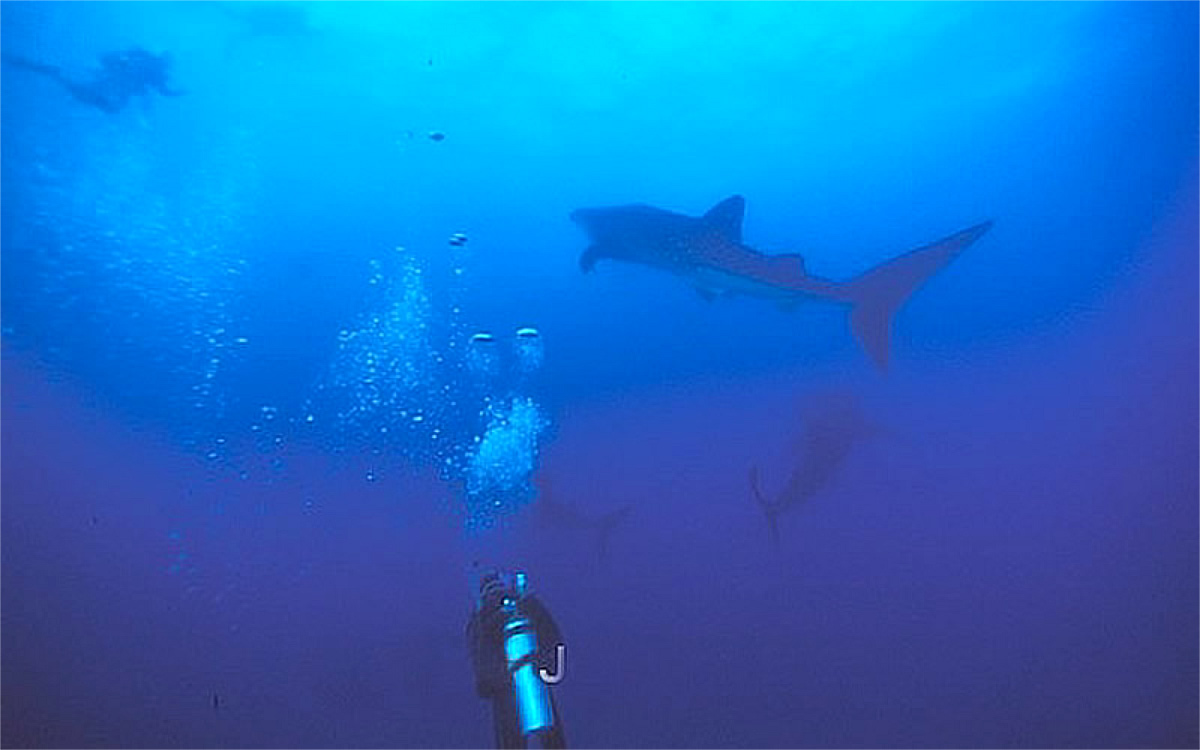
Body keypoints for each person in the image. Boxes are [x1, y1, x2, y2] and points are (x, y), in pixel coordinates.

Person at [467, 568, 567, 749]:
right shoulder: (524, 608)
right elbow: (554, 639)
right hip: (535, 688)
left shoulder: (481, 621)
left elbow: (483, 682)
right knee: (551, 740)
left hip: (507, 700)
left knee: (512, 742)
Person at [3, 47, 184, 114]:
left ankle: (43, 69)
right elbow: (164, 92)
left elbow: (116, 56)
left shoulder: (145, 55)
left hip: (112, 80)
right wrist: (180, 93)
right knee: (111, 107)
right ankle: (50, 72)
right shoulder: (156, 70)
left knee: (103, 101)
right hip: (115, 83)